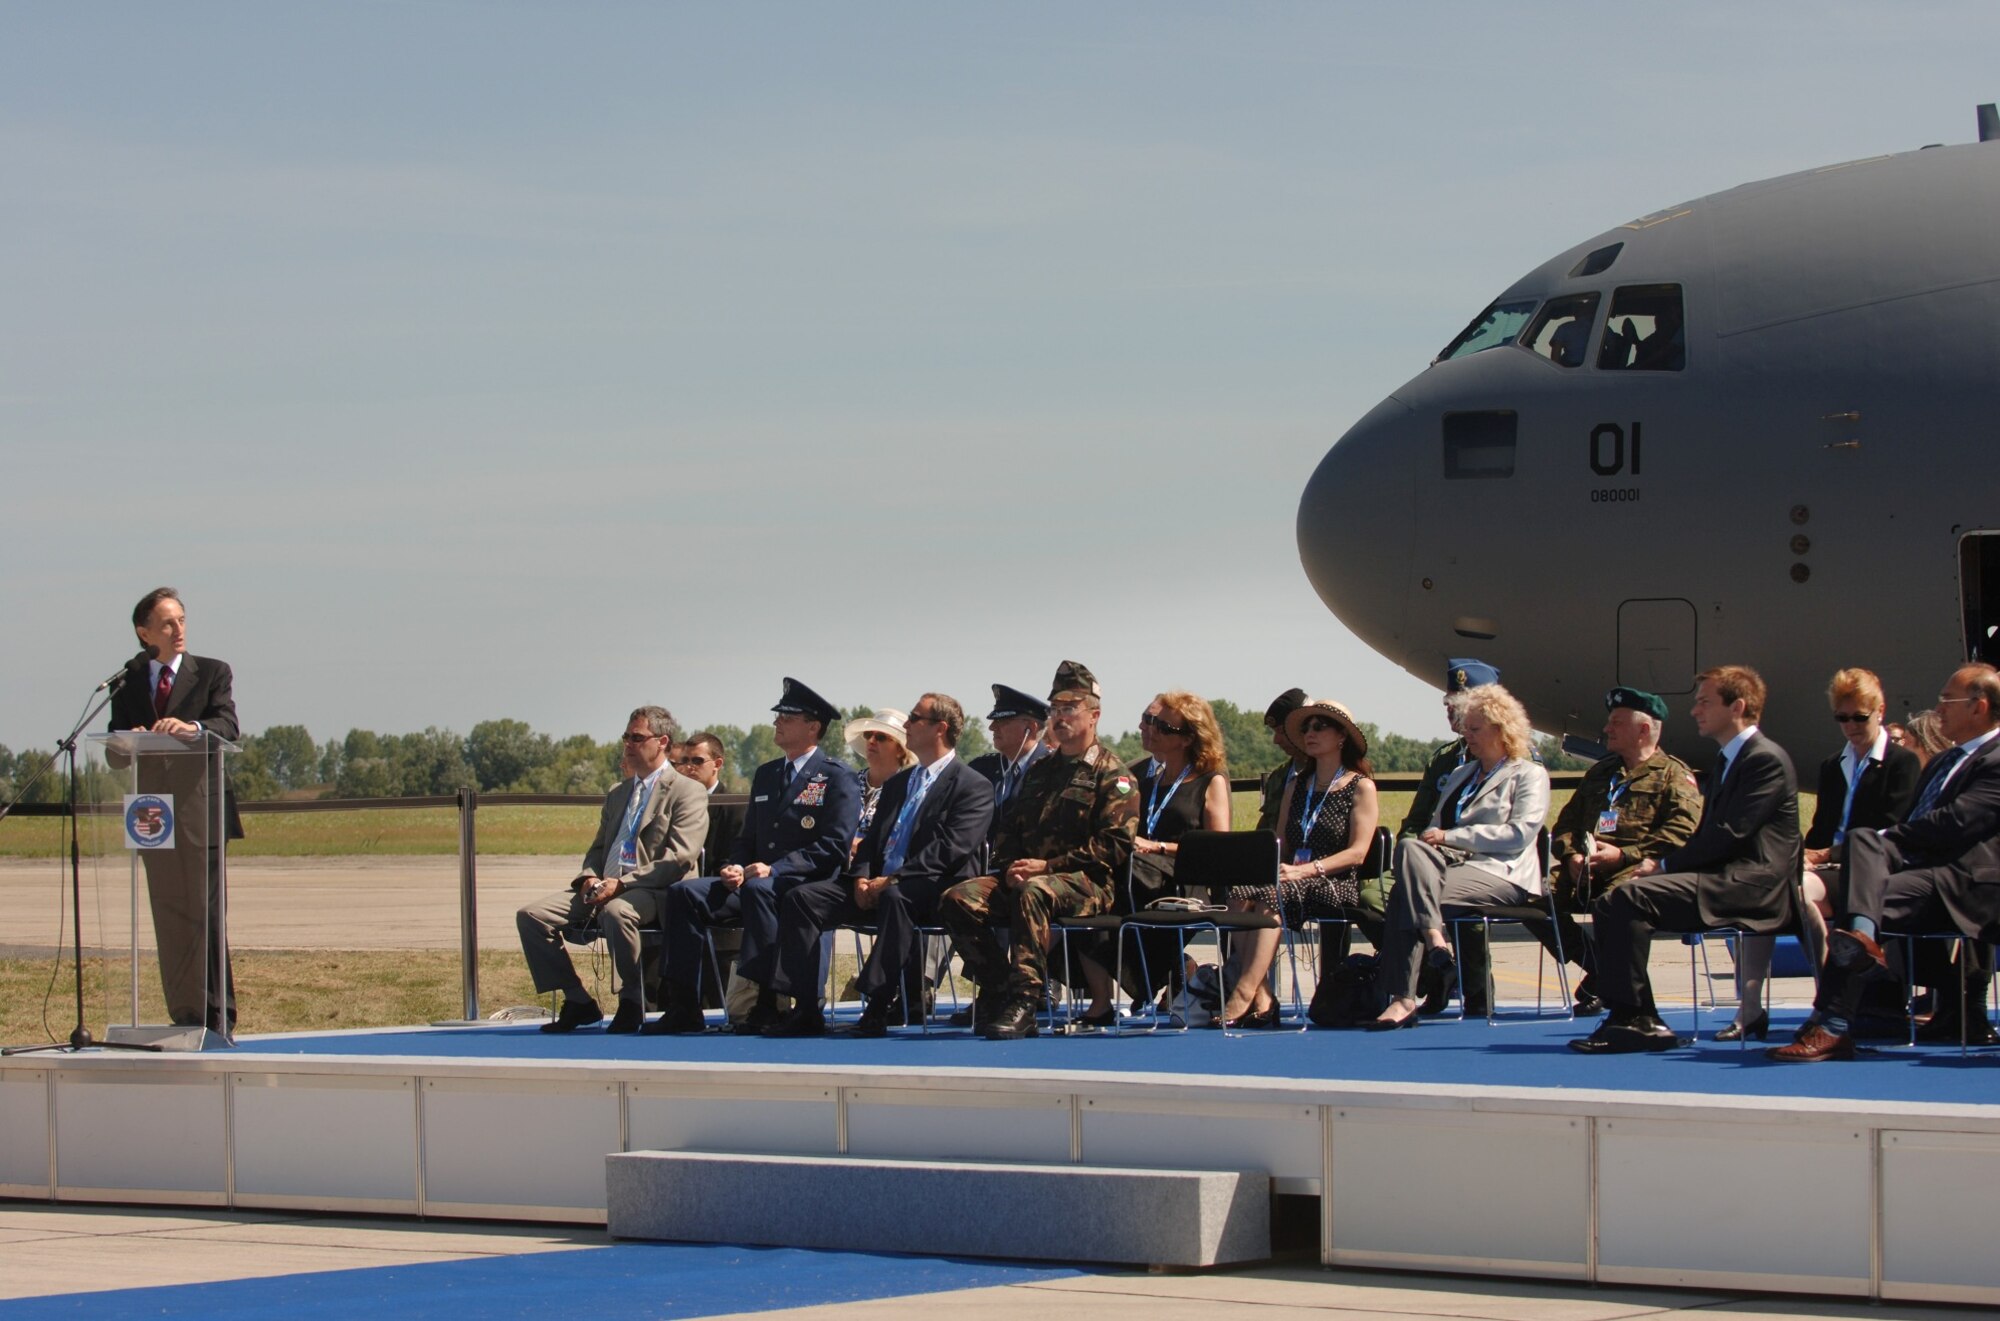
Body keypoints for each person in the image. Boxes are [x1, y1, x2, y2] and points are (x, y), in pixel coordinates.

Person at [1771, 663, 2000, 1062]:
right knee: (1863, 857)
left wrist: (1885, 841)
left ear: (1979, 706)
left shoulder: (1996, 759)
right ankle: (1854, 962)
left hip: (1968, 882)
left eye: (1948, 699)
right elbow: (1913, 822)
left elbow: (1957, 823)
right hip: (1924, 875)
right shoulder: (1947, 761)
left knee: (1865, 869)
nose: (1939, 708)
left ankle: (1833, 1022)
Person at [1569, 666, 1800, 1055]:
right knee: (1615, 900)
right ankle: (1635, 1016)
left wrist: (1662, 866)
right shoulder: (1731, 759)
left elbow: (1729, 836)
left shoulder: (1764, 760)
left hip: (1753, 884)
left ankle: (1635, 1018)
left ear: (1737, 707)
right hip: (1725, 878)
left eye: (1705, 702)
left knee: (1628, 898)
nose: (1695, 711)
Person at [763, 693, 995, 1037]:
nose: (906, 725)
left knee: (895, 899)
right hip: (876, 885)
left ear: (939, 729)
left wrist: (893, 880)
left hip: (930, 888)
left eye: (915, 719)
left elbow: (951, 849)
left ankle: (878, 1006)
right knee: (803, 898)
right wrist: (860, 878)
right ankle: (805, 1006)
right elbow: (872, 842)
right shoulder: (899, 782)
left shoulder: (972, 785)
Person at [646, 678, 861, 1035]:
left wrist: (775, 868)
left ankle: (767, 1002)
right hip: (756, 881)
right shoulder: (767, 774)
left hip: (803, 884)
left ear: (813, 727)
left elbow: (835, 846)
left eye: (788, 717)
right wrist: (734, 864)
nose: (777, 721)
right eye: (778, 715)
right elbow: (748, 838)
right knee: (684, 894)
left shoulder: (837, 778)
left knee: (760, 891)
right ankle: (683, 1004)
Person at [938, 660, 1138, 1040]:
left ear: (1093, 715)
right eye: (1055, 709)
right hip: (1031, 876)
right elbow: (1011, 828)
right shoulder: (1041, 770)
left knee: (1035, 891)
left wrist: (1048, 866)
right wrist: (1009, 866)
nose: (1059, 717)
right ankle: (998, 988)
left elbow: (1114, 846)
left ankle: (1025, 1004)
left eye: (1070, 708)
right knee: (959, 898)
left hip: (1087, 884)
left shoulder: (1114, 774)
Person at [1725, 669, 1920, 1040]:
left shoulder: (1902, 763)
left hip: (1873, 868)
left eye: (1859, 717)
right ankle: (1751, 1005)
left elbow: (1891, 832)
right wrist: (1803, 853)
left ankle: (1827, 1000)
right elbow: (1820, 827)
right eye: (1842, 718)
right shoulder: (1834, 766)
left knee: (1795, 891)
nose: (1850, 726)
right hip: (1828, 866)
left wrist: (1826, 853)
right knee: (1767, 887)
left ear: (1880, 710)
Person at [515, 707, 708, 1033]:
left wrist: (621, 885)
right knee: (532, 916)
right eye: (626, 737)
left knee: (617, 913)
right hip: (605, 886)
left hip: (655, 891)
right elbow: (599, 849)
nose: (628, 745)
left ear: (661, 742)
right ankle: (578, 1001)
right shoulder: (619, 794)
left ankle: (631, 1001)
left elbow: (680, 858)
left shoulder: (687, 791)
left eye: (637, 738)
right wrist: (588, 877)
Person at [107, 587, 244, 1037]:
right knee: (168, 914)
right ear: (144, 632)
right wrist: (130, 739)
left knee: (205, 915)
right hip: (153, 818)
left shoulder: (211, 673)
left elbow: (227, 725)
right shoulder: (127, 681)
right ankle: (185, 1014)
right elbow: (114, 754)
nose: (178, 629)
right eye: (167, 623)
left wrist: (194, 728)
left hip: (200, 811)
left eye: (182, 620)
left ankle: (217, 1017)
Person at [1372, 685, 1547, 1031]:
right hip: (1448, 868)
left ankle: (1402, 998)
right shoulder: (1458, 775)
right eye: (1465, 728)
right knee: (1409, 849)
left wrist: (1452, 837)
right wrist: (1435, 842)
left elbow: (1519, 834)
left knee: (1405, 895)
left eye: (1475, 729)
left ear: (1501, 729)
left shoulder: (1529, 775)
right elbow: (1435, 826)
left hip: (1501, 871)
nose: (1466, 736)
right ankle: (1435, 938)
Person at [1536, 687, 1703, 1016]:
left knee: (1612, 903)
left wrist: (1625, 856)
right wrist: (1571, 856)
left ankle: (1619, 993)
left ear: (1643, 730)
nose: (1607, 729)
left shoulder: (1673, 775)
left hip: (1637, 870)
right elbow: (1566, 823)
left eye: (1617, 723)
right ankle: (1599, 968)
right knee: (1531, 897)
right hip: (1586, 868)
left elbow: (1682, 831)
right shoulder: (1601, 773)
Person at [1071, 691, 1233, 1026]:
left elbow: (1218, 848)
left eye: (1161, 725)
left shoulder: (1209, 781)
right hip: (1135, 873)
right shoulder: (1142, 778)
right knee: (1085, 889)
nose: (1148, 728)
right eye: (1147, 720)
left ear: (1188, 738)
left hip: (1185, 879)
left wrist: (1157, 847)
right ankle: (1102, 1002)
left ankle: (1173, 970)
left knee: (1112, 883)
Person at [1218, 697, 1381, 1028]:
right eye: (1306, 727)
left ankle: (1244, 993)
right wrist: (1273, 869)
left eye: (1320, 726)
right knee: (1237, 893)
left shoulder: (1360, 786)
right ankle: (1263, 997)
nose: (1310, 733)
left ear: (1341, 737)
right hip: (1292, 875)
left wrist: (1306, 870)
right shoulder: (1297, 785)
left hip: (1334, 881)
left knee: (1268, 899)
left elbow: (1358, 853)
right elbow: (1281, 842)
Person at [1398, 659, 1503, 1015]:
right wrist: (1408, 850)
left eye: (1458, 707)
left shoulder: (1513, 760)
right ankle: (1433, 977)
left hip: (1483, 860)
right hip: (1434, 855)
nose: (1450, 713)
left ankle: (1476, 997)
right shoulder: (1444, 760)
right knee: (1380, 895)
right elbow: (1416, 818)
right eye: (1448, 706)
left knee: (1460, 907)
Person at [669, 731, 746, 1011]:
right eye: (684, 761)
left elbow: (732, 857)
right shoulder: (673, 803)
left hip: (715, 892)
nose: (689, 767)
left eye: (697, 760)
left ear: (717, 763)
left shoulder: (734, 806)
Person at [966, 684, 1051, 842]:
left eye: (1002, 721)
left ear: (1030, 728)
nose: (992, 728)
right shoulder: (980, 769)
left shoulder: (1054, 770)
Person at [845, 709, 917, 849]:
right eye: (868, 735)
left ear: (900, 750)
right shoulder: (846, 782)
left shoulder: (908, 792)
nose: (871, 741)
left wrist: (853, 845)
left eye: (881, 737)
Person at [1254, 689, 1309, 835]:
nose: (1276, 740)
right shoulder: (1278, 779)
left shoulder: (1335, 776)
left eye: (1282, 732)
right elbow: (1265, 836)